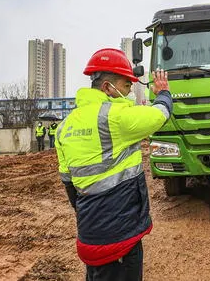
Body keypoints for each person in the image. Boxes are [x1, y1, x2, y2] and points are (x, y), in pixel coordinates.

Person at [55, 48, 172, 281]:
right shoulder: (115, 117)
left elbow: (68, 182)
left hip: (90, 232)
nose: (128, 93)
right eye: (127, 87)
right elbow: (160, 114)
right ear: (108, 87)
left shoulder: (65, 126)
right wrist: (164, 92)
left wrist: (87, 214)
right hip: (120, 234)